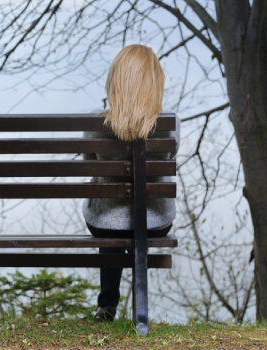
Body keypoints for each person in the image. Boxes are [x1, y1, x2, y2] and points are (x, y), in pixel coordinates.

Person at [82, 44, 179, 321]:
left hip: (103, 222)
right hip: (154, 222)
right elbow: (171, 155)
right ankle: (140, 306)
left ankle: (107, 304)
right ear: (154, 83)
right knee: (126, 221)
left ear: (115, 81)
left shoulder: (94, 124)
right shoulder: (170, 124)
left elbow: (89, 159)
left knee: (110, 222)